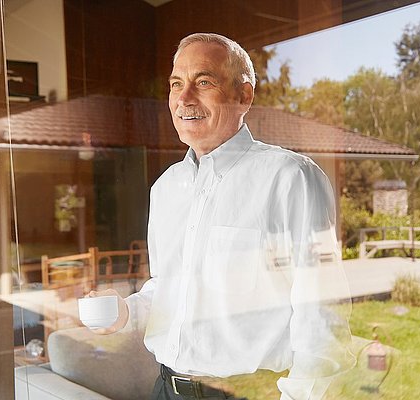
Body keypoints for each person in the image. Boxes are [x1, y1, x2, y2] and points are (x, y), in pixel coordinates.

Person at [88, 32, 355, 400]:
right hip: (165, 389)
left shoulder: (291, 178)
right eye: (176, 84)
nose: (184, 99)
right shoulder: (166, 188)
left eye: (203, 82)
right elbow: (170, 287)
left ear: (244, 96)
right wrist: (126, 312)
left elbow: (323, 314)